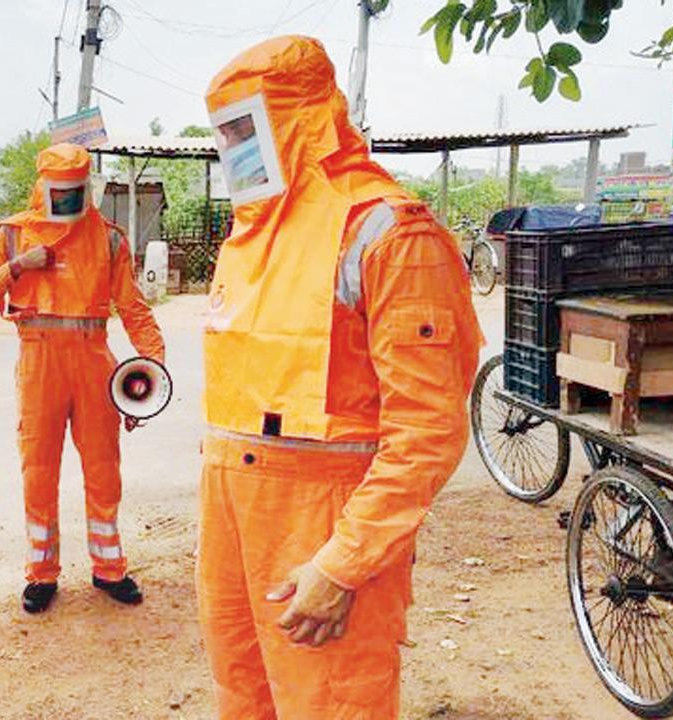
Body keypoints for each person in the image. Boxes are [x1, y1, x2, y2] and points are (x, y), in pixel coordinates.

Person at [195, 36, 483, 719]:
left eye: (246, 129)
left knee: (332, 704)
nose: (235, 149)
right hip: (232, 521)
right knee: (243, 696)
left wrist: (343, 564)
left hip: (324, 531)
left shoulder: (388, 233)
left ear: (298, 120)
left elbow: (426, 431)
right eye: (225, 132)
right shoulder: (250, 237)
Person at [0, 143, 166, 614]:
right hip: (39, 361)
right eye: (61, 194)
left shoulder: (108, 239)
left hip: (94, 361)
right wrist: (18, 266)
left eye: (77, 193)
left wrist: (150, 371)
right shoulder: (12, 235)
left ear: (87, 187)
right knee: (39, 470)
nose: (69, 203)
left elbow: (135, 310)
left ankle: (109, 568)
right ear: (43, 189)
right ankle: (41, 573)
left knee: (103, 469)